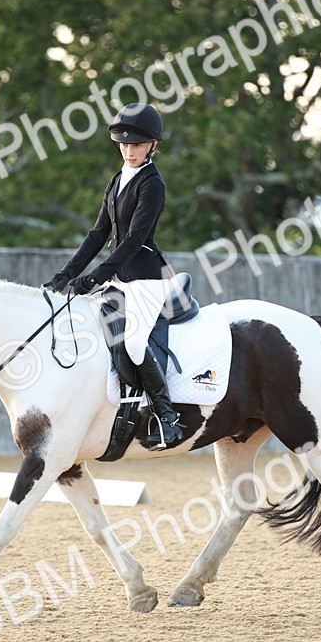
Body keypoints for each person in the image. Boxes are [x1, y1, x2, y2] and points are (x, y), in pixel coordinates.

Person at [47, 103, 185, 449]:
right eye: (123, 144)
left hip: (145, 277)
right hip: (119, 277)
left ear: (153, 145)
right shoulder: (117, 180)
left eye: (136, 145)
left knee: (134, 343)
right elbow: (98, 234)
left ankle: (167, 417)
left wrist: (94, 278)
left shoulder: (153, 184)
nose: (129, 150)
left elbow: (135, 240)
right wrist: (66, 274)